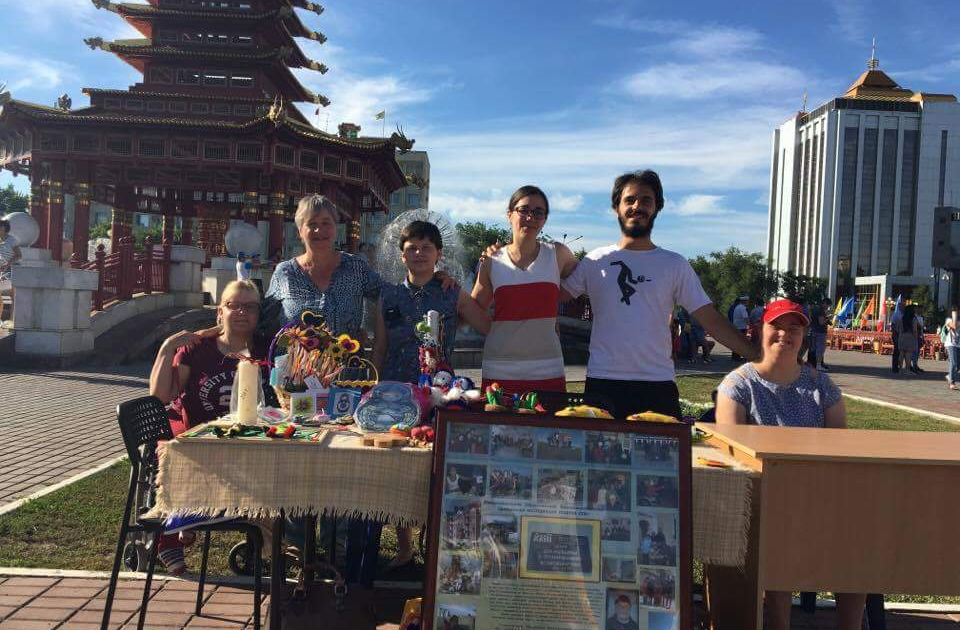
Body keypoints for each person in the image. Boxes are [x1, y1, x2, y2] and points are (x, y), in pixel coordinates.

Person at [714, 298, 865, 629]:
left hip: (819, 498)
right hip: (761, 500)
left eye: (794, 328)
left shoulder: (822, 386)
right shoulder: (738, 385)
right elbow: (731, 452)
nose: (785, 334)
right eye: (777, 326)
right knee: (779, 533)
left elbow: (841, 448)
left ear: (804, 337)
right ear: (759, 331)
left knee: (858, 539)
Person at [560, 170, 757, 419]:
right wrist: (544, 253)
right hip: (603, 382)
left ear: (656, 208)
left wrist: (761, 357)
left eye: (646, 200)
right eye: (630, 200)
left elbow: (711, 320)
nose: (637, 206)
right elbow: (550, 298)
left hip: (657, 384)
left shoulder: (674, 264)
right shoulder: (595, 260)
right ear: (616, 207)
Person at [372, 220, 490, 568]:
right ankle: (404, 546)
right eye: (412, 247)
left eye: (427, 247)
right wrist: (372, 386)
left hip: (440, 391)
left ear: (439, 254)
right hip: (396, 391)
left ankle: (437, 543)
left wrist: (486, 277)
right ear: (402, 255)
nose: (419, 253)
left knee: (436, 467)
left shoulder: (451, 292)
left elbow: (485, 323)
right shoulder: (388, 295)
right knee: (398, 467)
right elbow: (380, 345)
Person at [149, 279, 266, 574]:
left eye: (250, 307)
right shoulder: (197, 349)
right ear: (219, 312)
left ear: (258, 314)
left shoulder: (267, 349)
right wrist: (167, 348)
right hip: (200, 441)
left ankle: (266, 544)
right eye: (233, 305)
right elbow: (162, 395)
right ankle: (174, 531)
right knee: (178, 454)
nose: (242, 312)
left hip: (252, 440)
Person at [472, 185, 579, 393]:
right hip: (500, 369)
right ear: (510, 215)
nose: (530, 217)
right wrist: (441, 285)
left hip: (548, 368)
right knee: (497, 416)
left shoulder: (558, 254)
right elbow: (473, 309)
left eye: (538, 212)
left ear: (544, 220)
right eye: (523, 210)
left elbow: (592, 281)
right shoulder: (491, 260)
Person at [0, 218, 22, 326]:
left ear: (5, 228)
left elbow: (19, 255)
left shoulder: (11, 240)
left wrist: (7, 264)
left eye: (0, 226)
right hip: (2, 269)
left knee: (12, 296)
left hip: (12, 269)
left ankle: (11, 320)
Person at [894, 304, 920, 376]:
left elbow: (897, 328)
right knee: (908, 354)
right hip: (910, 337)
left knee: (901, 354)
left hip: (901, 336)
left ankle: (900, 370)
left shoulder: (901, 318)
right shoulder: (913, 319)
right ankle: (907, 370)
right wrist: (916, 337)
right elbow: (915, 330)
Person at [808, 298, 832, 372]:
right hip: (820, 332)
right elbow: (821, 322)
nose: (827, 307)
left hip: (814, 330)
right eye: (828, 305)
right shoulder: (820, 310)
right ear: (824, 303)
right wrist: (828, 318)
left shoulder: (815, 309)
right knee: (820, 348)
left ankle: (812, 364)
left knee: (813, 348)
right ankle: (818, 365)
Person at [942, 307, 958, 391]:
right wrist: (954, 316)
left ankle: (949, 376)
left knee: (958, 365)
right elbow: (954, 326)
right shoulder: (948, 320)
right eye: (955, 311)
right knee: (953, 362)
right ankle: (952, 382)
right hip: (951, 344)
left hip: (958, 344)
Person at [890, 303, 903, 373]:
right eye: (902, 306)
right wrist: (897, 331)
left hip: (901, 334)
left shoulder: (902, 314)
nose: (903, 307)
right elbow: (893, 325)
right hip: (896, 335)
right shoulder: (896, 314)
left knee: (900, 351)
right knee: (896, 350)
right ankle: (894, 366)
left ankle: (898, 366)